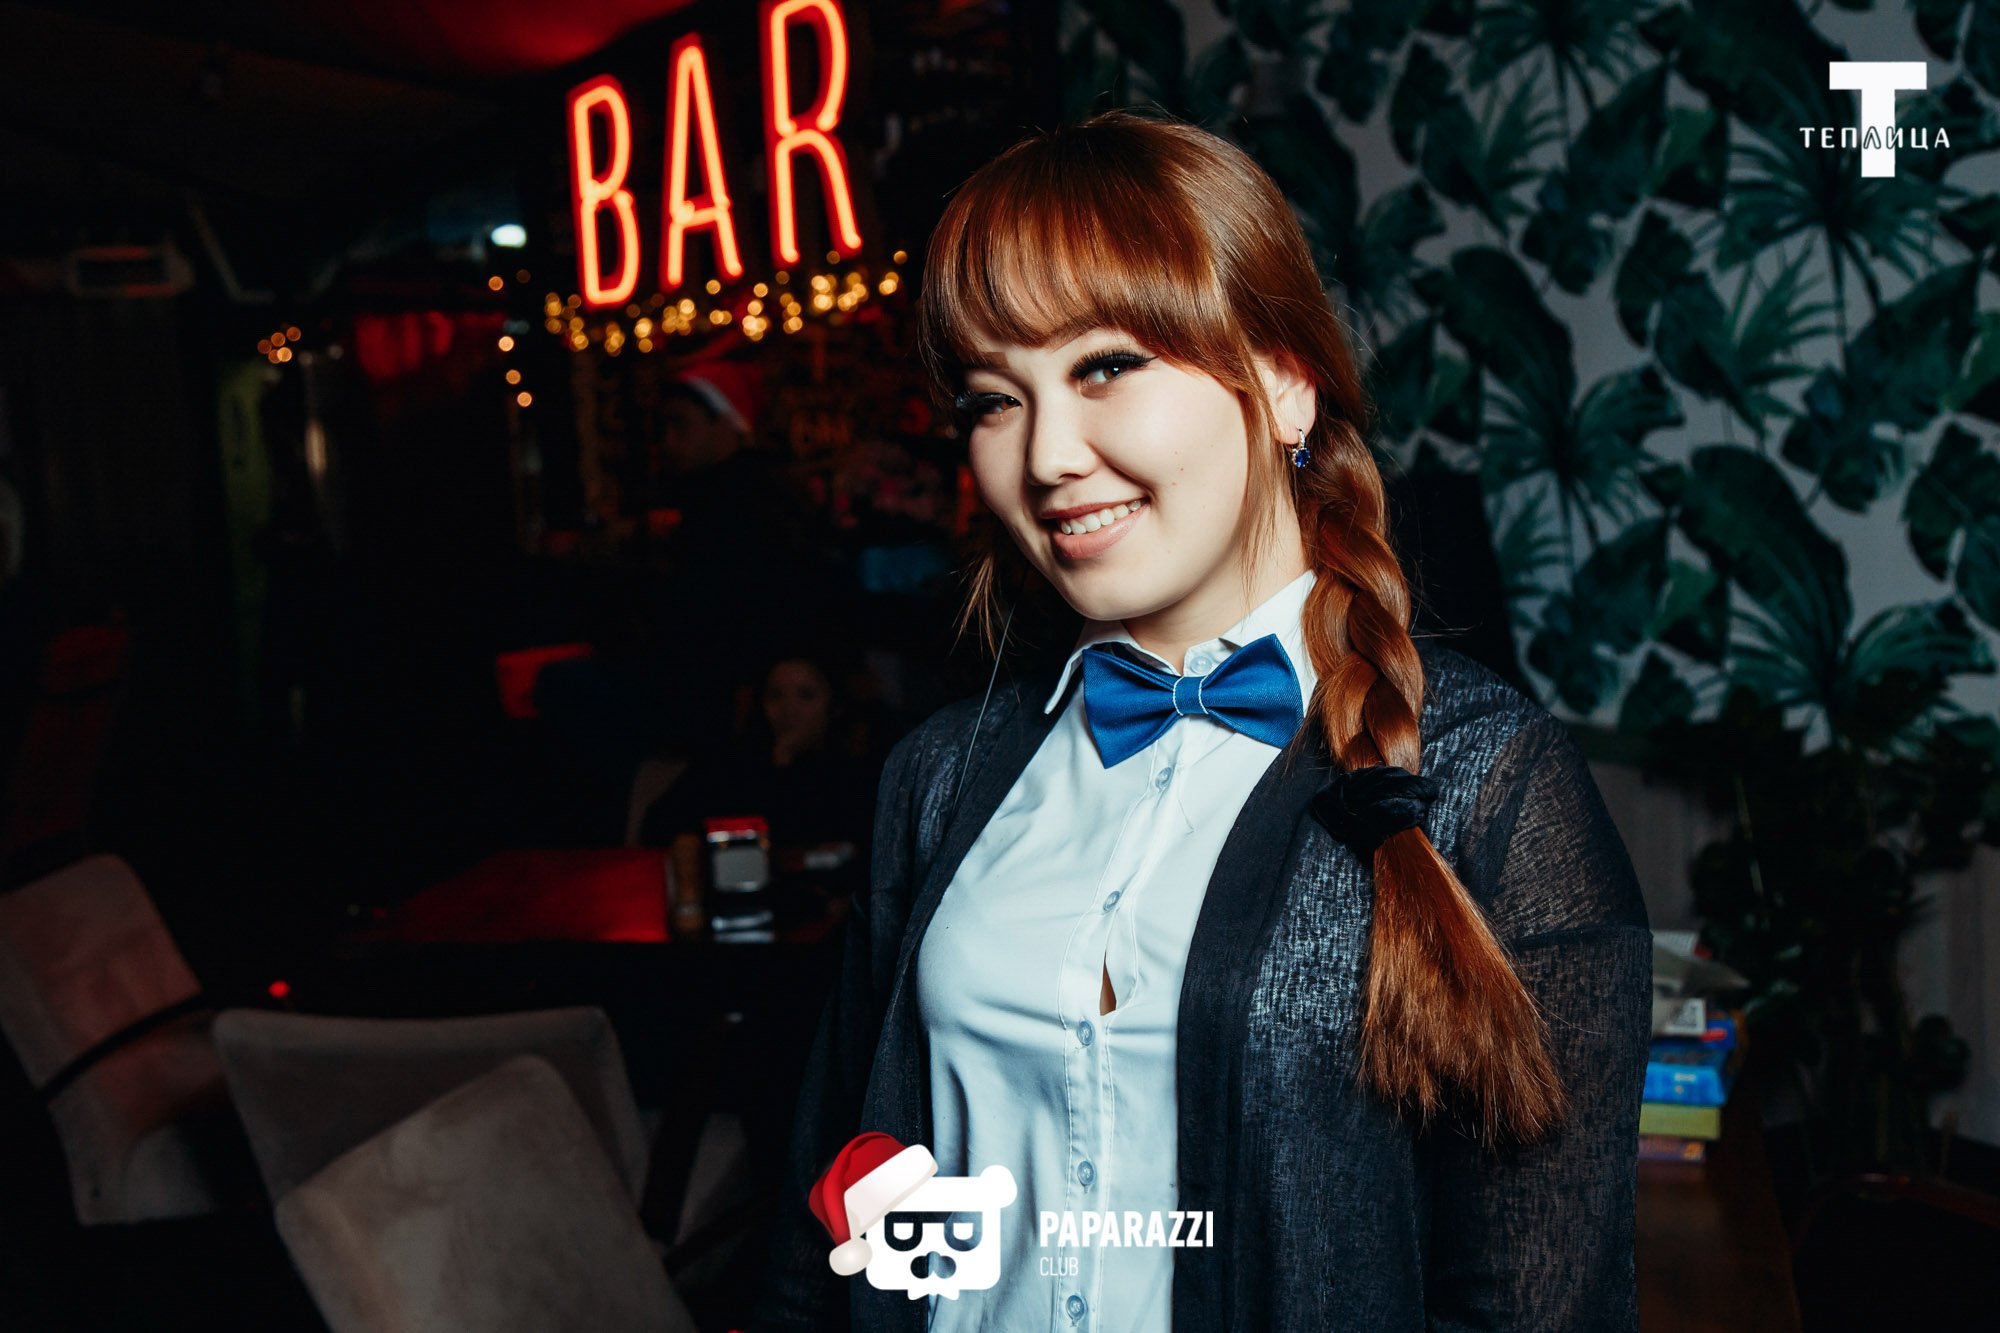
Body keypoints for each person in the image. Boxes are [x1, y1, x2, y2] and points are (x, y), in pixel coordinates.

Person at [750, 109, 1651, 1332]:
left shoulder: (1487, 783)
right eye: (992, 400)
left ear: (1282, 381)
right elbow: (824, 1217)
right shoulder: (939, 777)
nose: (1046, 457)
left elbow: (1534, 1302)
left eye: (1104, 366)